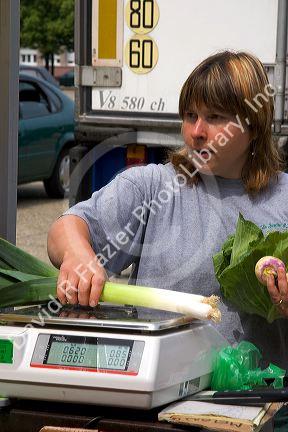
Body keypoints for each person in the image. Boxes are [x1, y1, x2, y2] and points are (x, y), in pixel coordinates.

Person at [48, 51, 288, 370]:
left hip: (258, 406)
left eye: (215, 117)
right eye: (190, 116)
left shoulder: (282, 200)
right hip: (157, 400)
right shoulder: (152, 188)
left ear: (253, 125)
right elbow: (66, 228)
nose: (197, 131)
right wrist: (77, 254)